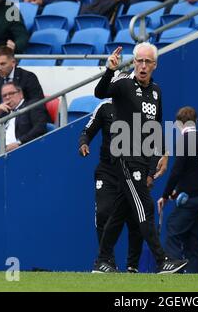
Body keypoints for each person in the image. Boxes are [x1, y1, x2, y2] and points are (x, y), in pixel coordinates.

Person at [92, 42, 188, 274]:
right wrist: (109, 70)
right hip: (125, 154)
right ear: (134, 62)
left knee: (121, 211)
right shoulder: (123, 82)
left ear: (155, 65)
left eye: (148, 62)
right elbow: (100, 93)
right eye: (139, 61)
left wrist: (163, 153)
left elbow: (155, 127)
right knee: (144, 207)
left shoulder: (156, 91)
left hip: (143, 157)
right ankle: (161, 260)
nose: (143, 66)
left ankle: (102, 261)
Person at [79, 97, 146, 273]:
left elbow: (150, 139)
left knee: (136, 218)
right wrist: (84, 142)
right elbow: (88, 129)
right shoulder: (105, 107)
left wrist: (149, 172)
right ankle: (106, 261)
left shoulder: (140, 106)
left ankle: (133, 265)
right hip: (107, 171)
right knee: (103, 213)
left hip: (131, 169)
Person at [157, 106, 198, 273]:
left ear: (179, 124)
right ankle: (193, 276)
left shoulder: (184, 141)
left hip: (189, 199)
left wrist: (165, 195)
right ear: (196, 121)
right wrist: (177, 192)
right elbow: (196, 172)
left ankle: (173, 268)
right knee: (192, 239)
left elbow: (177, 171)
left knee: (173, 227)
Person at [0, 46, 46, 120]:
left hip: (27, 121)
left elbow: (38, 104)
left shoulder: (28, 77)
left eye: (3, 64)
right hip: (4, 125)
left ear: (13, 62)